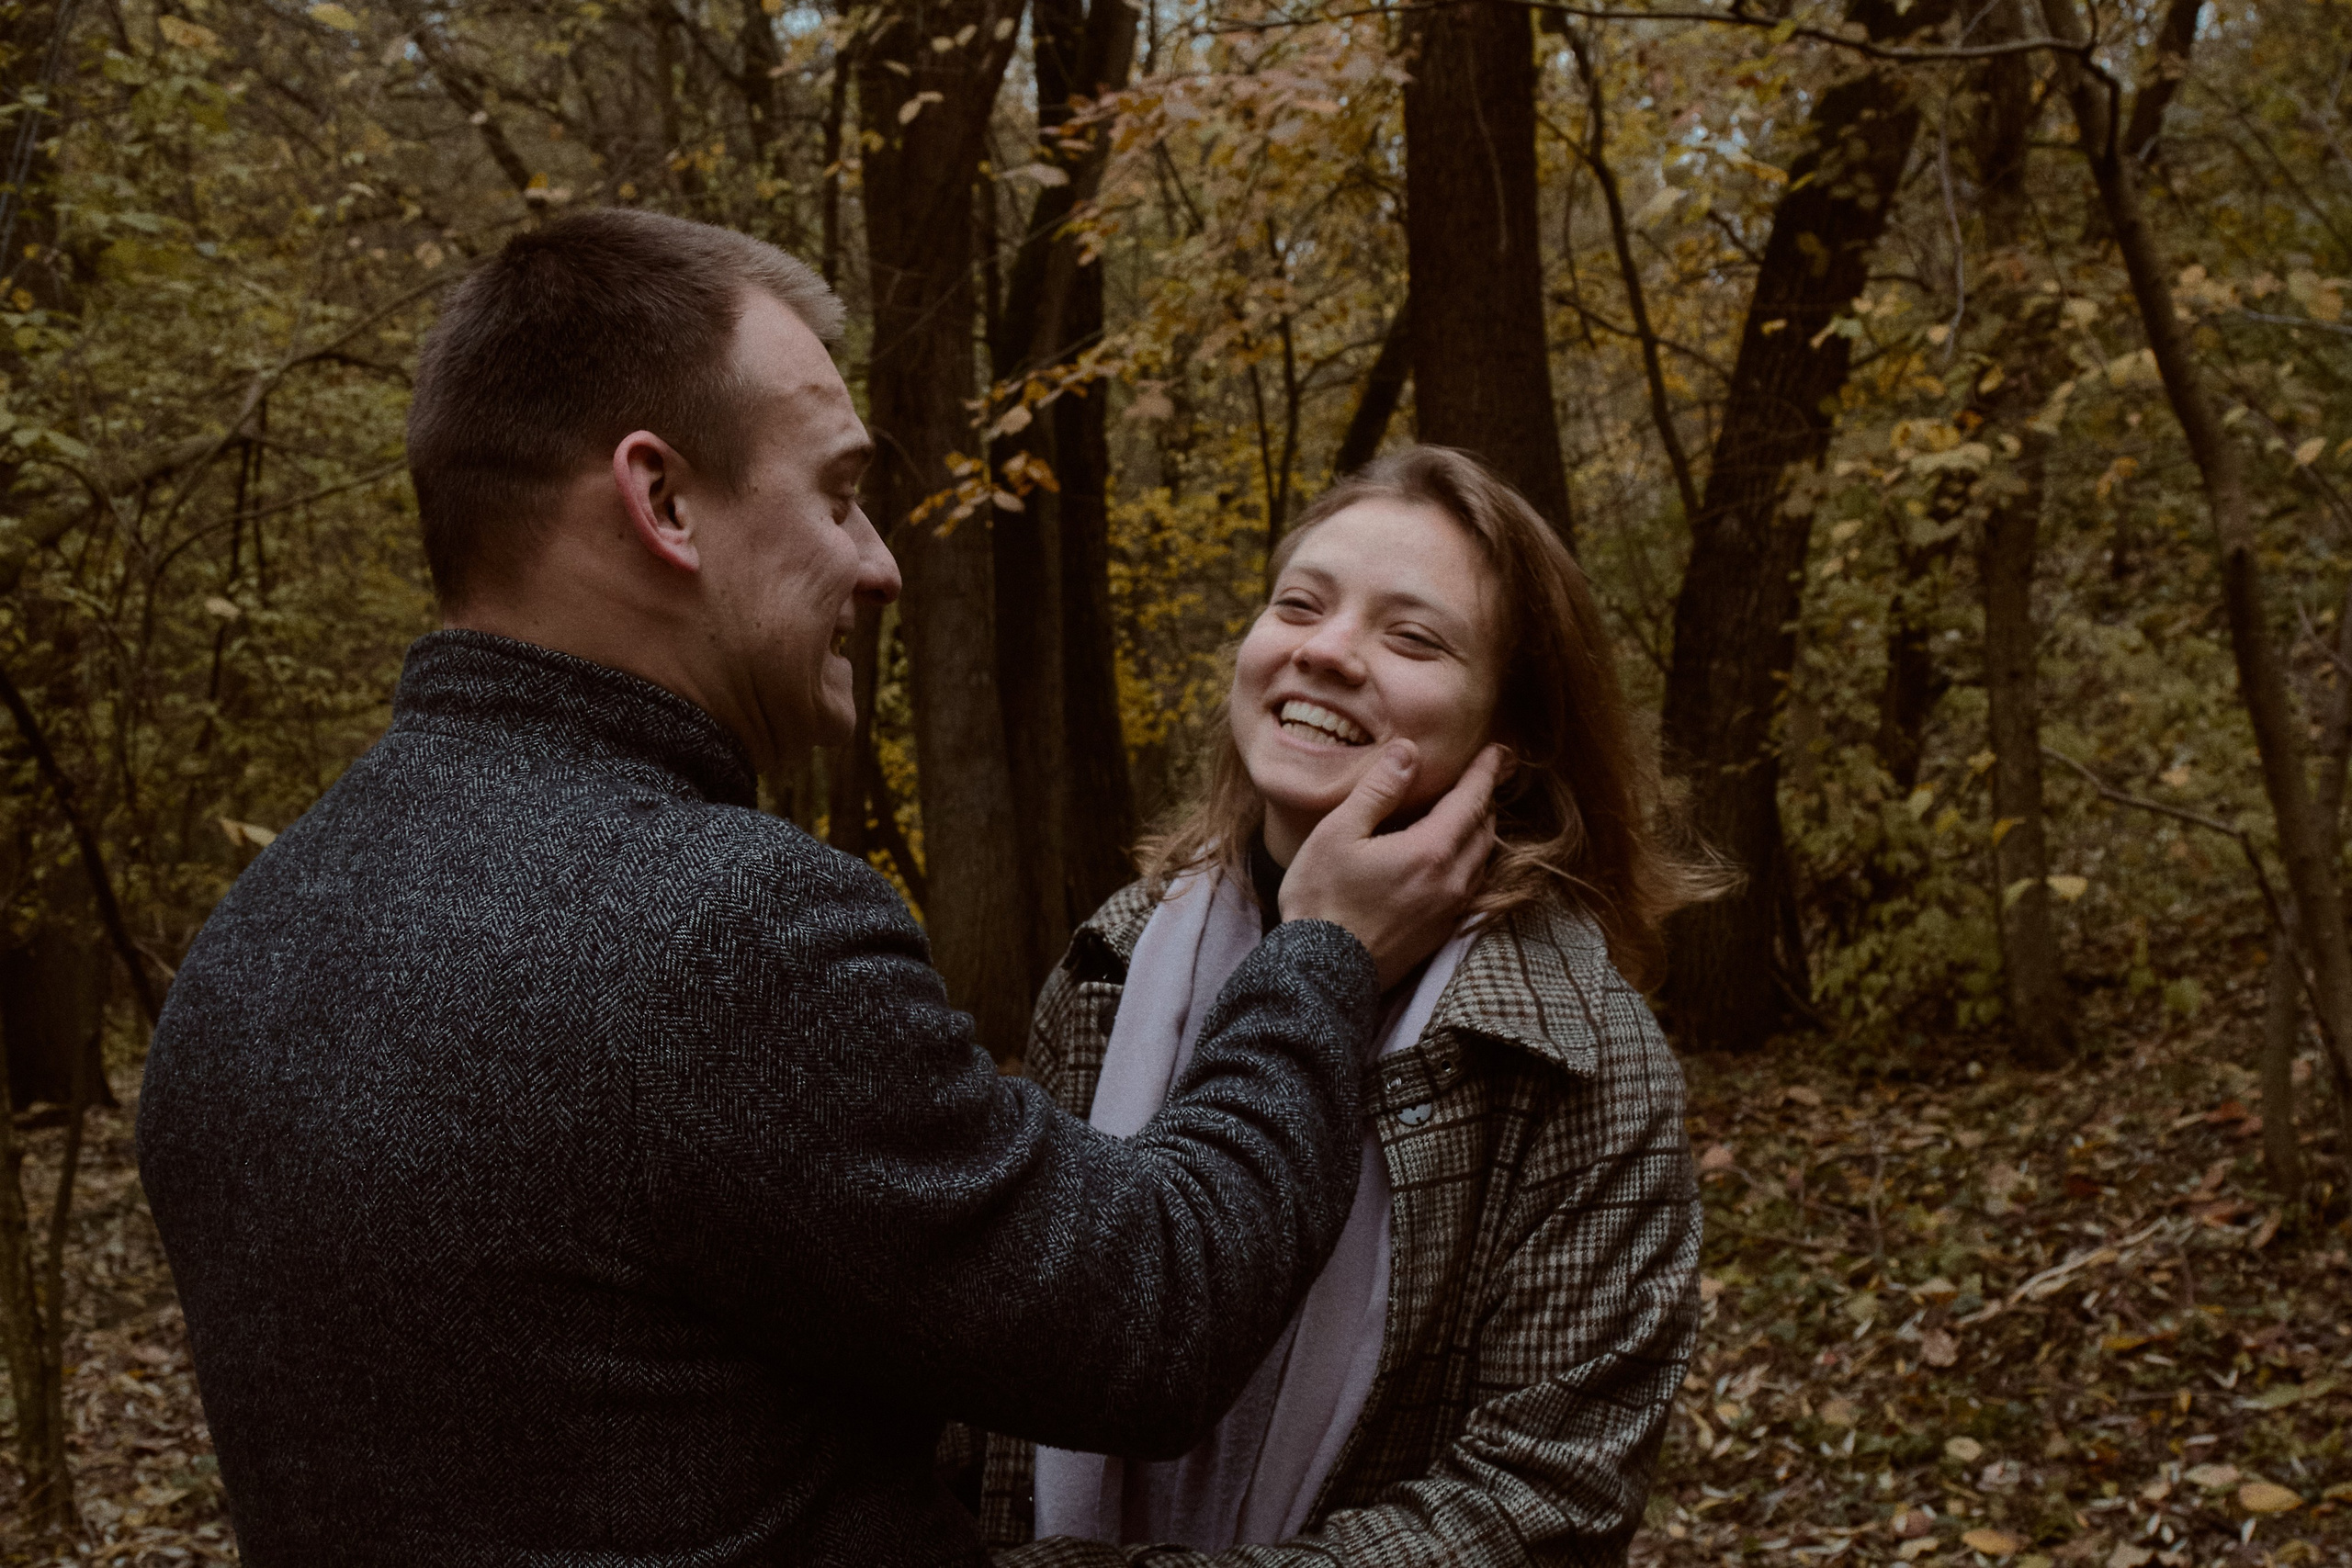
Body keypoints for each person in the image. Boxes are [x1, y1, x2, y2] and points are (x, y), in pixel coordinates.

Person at [135, 209, 1501, 1565]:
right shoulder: (732, 932)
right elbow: (1147, 1311)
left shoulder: (245, 947)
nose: (880, 562)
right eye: (839, 493)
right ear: (663, 500)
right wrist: (1322, 948)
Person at [976, 446, 1713, 1565]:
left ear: (1508, 746)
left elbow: (1543, 1501)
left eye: (1411, 638)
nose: (1324, 651)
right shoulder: (1111, 965)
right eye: (1298, 605)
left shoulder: (1581, 1057)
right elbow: (1007, 1373)